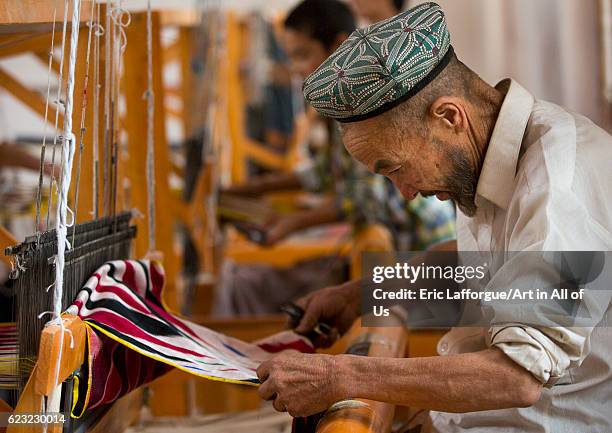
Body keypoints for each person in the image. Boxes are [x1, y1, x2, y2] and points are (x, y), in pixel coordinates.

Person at [256, 3, 612, 432]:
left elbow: (516, 377)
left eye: (395, 168)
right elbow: (490, 266)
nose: (404, 193)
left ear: (449, 117)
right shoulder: (500, 157)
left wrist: (341, 376)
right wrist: (366, 293)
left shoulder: (556, 187)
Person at [214, 0, 456, 316]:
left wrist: (295, 222)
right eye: (292, 58)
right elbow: (327, 173)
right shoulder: (339, 104)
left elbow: (365, 201)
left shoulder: (363, 105)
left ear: (338, 46)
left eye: (303, 55)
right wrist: (252, 189)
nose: (297, 69)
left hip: (425, 256)